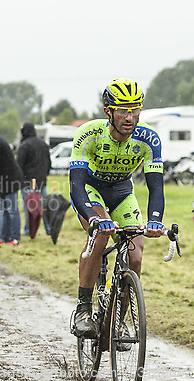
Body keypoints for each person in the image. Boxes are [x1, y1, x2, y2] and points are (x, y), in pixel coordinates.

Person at [70, 78, 165, 338]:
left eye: (135, 109)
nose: (130, 117)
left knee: (135, 257)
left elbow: (156, 188)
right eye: (123, 109)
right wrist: (91, 217)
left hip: (123, 193)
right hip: (91, 191)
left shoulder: (149, 139)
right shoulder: (89, 134)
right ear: (108, 112)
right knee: (100, 236)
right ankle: (83, 308)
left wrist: (155, 220)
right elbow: (76, 185)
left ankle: (117, 321)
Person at [16, 122, 52, 236]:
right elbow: (49, 163)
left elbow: (19, 165)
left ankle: (28, 230)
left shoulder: (24, 145)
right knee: (44, 206)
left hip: (28, 182)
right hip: (42, 181)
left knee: (30, 208)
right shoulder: (43, 144)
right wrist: (44, 175)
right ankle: (49, 229)